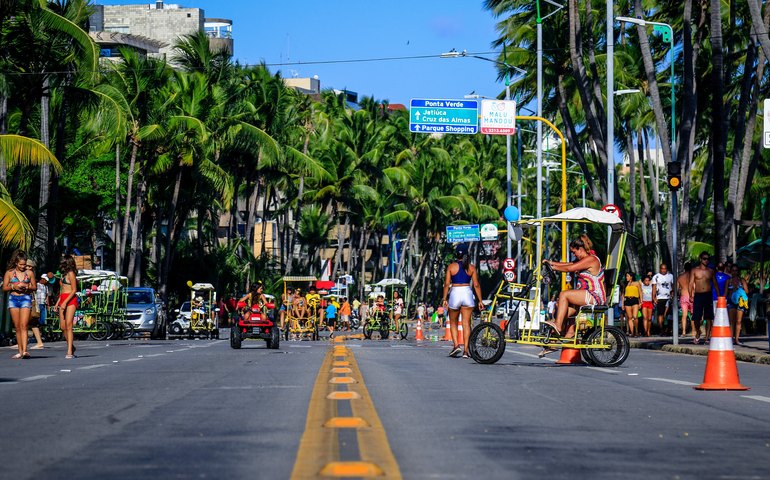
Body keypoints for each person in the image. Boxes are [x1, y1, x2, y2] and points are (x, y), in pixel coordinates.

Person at [542, 236, 605, 355]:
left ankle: (558, 326)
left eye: (574, 252)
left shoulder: (592, 259)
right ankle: (555, 342)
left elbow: (570, 268)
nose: (574, 254)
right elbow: (569, 263)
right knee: (562, 310)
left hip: (595, 295)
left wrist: (553, 267)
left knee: (564, 294)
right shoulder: (583, 260)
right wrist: (550, 263)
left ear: (580, 248)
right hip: (586, 295)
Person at [442, 243, 483, 358]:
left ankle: (456, 346)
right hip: (467, 293)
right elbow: (476, 285)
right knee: (466, 324)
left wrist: (444, 298)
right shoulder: (471, 267)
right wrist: (480, 300)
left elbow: (446, 284)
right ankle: (466, 351)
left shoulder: (451, 267)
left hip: (455, 292)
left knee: (453, 322)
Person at [3, 250, 37, 359]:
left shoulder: (29, 273)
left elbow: (34, 287)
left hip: (25, 298)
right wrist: (14, 287)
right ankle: (20, 350)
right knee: (17, 327)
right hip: (13, 298)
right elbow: (4, 287)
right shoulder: (9, 272)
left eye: (24, 264)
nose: (23, 266)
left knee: (24, 325)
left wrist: (26, 287)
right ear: (16, 262)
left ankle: (25, 351)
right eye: (21, 264)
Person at [690, 252, 718, 344]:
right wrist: (690, 295)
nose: (706, 260)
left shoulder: (710, 271)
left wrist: (719, 295)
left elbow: (715, 283)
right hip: (698, 295)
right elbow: (690, 283)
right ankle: (698, 331)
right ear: (700, 259)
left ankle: (707, 337)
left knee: (709, 317)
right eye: (704, 259)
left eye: (707, 259)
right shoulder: (695, 270)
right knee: (696, 318)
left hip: (708, 294)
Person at [57, 254, 78, 359]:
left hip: (70, 300)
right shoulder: (63, 274)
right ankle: (71, 345)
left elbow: (74, 289)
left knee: (69, 325)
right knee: (62, 327)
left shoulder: (71, 274)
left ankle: (69, 350)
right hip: (63, 298)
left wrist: (65, 302)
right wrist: (58, 302)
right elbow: (62, 290)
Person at [727, 264, 749, 346]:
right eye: (733, 270)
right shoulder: (728, 281)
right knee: (732, 322)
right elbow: (726, 292)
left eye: (736, 270)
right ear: (730, 271)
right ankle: (731, 338)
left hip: (740, 301)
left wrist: (739, 289)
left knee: (739, 321)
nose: (734, 272)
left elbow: (746, 291)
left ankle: (737, 339)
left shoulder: (742, 280)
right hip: (731, 302)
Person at [652, 263, 674, 335]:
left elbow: (673, 286)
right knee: (660, 314)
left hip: (668, 297)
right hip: (660, 298)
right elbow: (654, 288)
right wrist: (653, 297)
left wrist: (673, 294)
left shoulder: (670, 276)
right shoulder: (656, 277)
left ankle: (668, 329)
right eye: (662, 268)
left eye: (665, 268)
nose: (664, 270)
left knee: (668, 314)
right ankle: (661, 329)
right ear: (660, 269)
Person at [622, 272, 641, 337]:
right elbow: (623, 295)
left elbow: (640, 292)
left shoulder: (637, 283)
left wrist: (641, 302)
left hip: (635, 299)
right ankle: (632, 332)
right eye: (626, 276)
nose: (626, 277)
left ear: (631, 277)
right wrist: (622, 304)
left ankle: (636, 330)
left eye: (628, 276)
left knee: (635, 317)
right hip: (627, 300)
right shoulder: (625, 284)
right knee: (629, 317)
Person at [677, 262, 693, 337]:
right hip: (692, 296)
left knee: (684, 315)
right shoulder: (693, 276)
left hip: (683, 296)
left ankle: (683, 332)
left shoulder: (680, 277)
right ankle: (694, 331)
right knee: (693, 315)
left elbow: (677, 289)